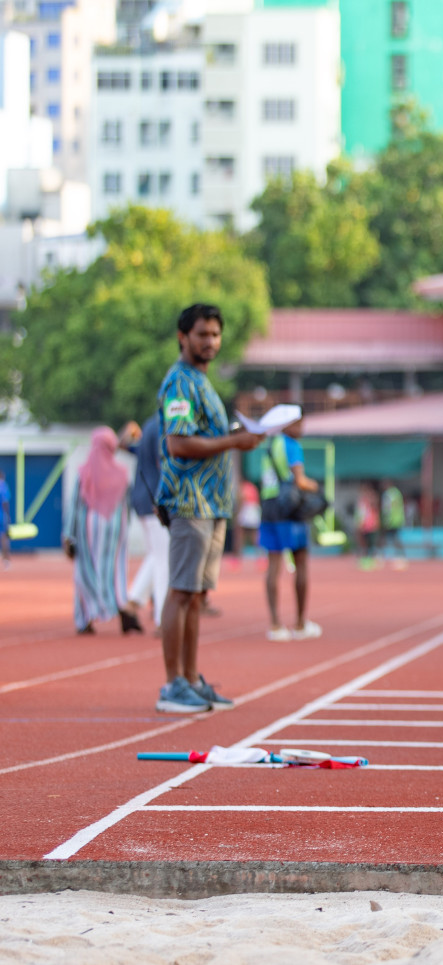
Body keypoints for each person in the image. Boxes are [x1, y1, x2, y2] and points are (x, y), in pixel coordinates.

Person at [155, 303, 260, 714]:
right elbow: (178, 443)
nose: (210, 342)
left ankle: (192, 679)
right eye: (202, 334)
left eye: (216, 335)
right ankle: (171, 684)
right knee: (181, 591)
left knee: (196, 595)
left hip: (213, 502)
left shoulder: (202, 381)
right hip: (188, 500)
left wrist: (241, 434)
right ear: (183, 337)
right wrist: (234, 442)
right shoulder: (180, 382)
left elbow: (206, 436)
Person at [64, 427, 140, 635]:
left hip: (86, 532)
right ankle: (121, 608)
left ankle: (84, 619)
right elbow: (127, 506)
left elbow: (74, 505)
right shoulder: (122, 474)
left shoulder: (84, 472)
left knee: (84, 573)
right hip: (115, 532)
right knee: (115, 573)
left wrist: (68, 534)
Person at [259, 416, 322, 641]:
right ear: (287, 424)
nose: (302, 428)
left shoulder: (271, 445)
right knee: (301, 561)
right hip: (289, 508)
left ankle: (275, 624)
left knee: (273, 565)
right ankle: (300, 622)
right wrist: (317, 488)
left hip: (268, 506)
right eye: (299, 424)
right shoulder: (291, 445)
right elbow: (300, 481)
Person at [125, 412, 169, 631]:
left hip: (141, 497)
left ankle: (133, 600)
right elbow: (164, 465)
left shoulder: (148, 425)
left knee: (157, 555)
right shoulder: (163, 425)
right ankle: (162, 618)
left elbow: (128, 447)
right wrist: (164, 498)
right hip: (154, 499)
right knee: (164, 560)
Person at [380, 479, 408, 567]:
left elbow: (387, 508)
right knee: (393, 538)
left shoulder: (388, 494)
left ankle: (382, 556)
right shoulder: (397, 493)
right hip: (398, 519)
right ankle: (400, 556)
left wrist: (386, 520)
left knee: (388, 537)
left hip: (391, 520)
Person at [234, 479, 260, 563]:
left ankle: (238, 556)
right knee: (254, 535)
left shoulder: (242, 487)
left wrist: (237, 514)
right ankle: (259, 557)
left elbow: (241, 499)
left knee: (240, 534)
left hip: (247, 509)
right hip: (254, 509)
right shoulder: (253, 487)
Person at [0, 467, 11, 568]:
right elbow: (5, 502)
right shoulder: (3, 486)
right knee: (4, 538)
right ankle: (6, 560)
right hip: (1, 516)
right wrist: (7, 516)